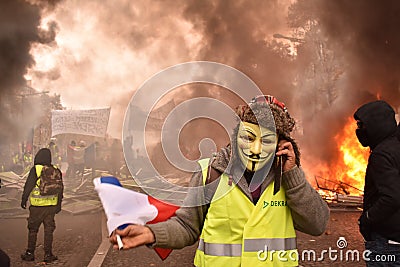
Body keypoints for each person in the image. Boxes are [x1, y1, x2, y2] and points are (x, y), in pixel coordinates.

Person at [109, 95, 330, 266]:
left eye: (267, 141)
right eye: (248, 138)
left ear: (282, 145)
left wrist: (292, 176)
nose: (255, 150)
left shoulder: (289, 178)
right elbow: (187, 226)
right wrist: (151, 233)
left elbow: (318, 224)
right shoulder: (210, 173)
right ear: (235, 136)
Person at [354, 100, 400, 266]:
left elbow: (392, 197)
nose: (358, 130)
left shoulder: (382, 155)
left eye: (362, 125)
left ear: (376, 125)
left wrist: (366, 218)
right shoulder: (396, 146)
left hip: (387, 242)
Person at [20, 148, 63, 263]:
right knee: (49, 230)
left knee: (33, 229)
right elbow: (60, 189)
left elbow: (28, 186)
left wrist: (24, 199)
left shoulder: (36, 169)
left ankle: (30, 253)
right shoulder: (55, 170)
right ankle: (48, 255)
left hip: (37, 207)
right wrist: (59, 205)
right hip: (51, 207)